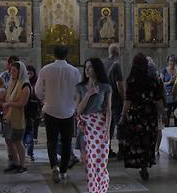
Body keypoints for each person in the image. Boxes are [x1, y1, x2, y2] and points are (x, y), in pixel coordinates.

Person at [35, 45, 81, 184]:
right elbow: (78, 92)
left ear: (54, 54)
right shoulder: (74, 71)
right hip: (68, 111)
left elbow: (37, 91)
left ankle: (54, 166)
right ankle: (64, 170)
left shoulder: (46, 69)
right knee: (67, 142)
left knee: (52, 141)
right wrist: (73, 103)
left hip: (50, 110)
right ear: (67, 55)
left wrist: (45, 99)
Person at [120, 53, 165, 180]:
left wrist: (123, 115)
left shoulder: (131, 80)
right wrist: (164, 114)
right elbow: (158, 99)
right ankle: (146, 164)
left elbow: (127, 100)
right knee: (148, 139)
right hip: (150, 114)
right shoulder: (153, 79)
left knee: (137, 140)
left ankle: (141, 165)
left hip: (136, 115)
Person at [75, 58, 113, 193]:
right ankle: (93, 190)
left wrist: (107, 129)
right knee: (88, 161)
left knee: (100, 161)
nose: (87, 70)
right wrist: (89, 94)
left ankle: (101, 188)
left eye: (90, 67)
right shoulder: (80, 87)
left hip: (100, 126)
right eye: (86, 67)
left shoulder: (105, 87)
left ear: (97, 69)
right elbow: (78, 110)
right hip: (85, 127)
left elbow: (108, 109)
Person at [1, 60, 31, 173]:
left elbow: (22, 103)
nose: (11, 72)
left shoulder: (25, 85)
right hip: (9, 116)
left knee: (18, 142)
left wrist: (9, 104)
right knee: (9, 141)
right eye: (11, 70)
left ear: (20, 71)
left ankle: (22, 165)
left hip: (18, 117)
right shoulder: (13, 82)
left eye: (14, 70)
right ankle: (16, 162)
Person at [105, 43, 126, 159]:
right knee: (120, 123)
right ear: (117, 53)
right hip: (117, 100)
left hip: (106, 101)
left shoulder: (104, 64)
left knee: (108, 126)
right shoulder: (116, 65)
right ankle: (121, 150)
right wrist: (124, 98)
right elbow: (120, 85)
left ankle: (107, 150)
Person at [24, 65, 42, 162]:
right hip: (23, 111)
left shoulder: (36, 84)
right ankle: (24, 152)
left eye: (31, 73)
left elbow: (39, 96)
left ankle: (30, 153)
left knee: (30, 132)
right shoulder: (22, 83)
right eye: (27, 73)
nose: (29, 75)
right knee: (24, 133)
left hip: (33, 112)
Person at [161, 55, 177, 126]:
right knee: (167, 114)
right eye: (170, 61)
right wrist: (169, 82)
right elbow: (161, 83)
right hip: (167, 95)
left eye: (173, 61)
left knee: (176, 114)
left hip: (176, 95)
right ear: (168, 62)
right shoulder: (164, 71)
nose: (172, 62)